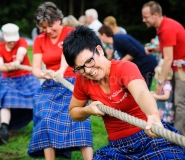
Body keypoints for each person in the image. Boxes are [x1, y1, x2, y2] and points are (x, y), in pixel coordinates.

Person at [63, 25, 185, 159]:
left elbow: (141, 93)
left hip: (148, 136)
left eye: (89, 61)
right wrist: (88, 110)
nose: (87, 71)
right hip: (117, 147)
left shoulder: (125, 68)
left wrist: (153, 115)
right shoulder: (82, 80)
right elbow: (73, 111)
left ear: (99, 50)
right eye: (79, 68)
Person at [27, 2, 93, 160]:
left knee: (81, 120)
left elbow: (68, 55)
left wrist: (61, 71)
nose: (48, 31)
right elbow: (35, 68)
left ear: (59, 20)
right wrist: (44, 75)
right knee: (46, 117)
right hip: (51, 84)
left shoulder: (72, 33)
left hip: (74, 82)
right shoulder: (39, 40)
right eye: (44, 27)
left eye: (51, 25)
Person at [0, 23, 40, 144]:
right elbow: (0, 66)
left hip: (26, 76)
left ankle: (41, 130)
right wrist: (8, 68)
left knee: (38, 99)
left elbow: (21, 52)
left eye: (14, 39)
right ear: (4, 37)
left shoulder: (21, 41)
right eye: (9, 40)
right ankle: (4, 130)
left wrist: (17, 61)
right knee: (5, 99)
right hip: (9, 79)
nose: (12, 42)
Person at [142, 1, 185, 135]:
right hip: (176, 68)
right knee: (173, 103)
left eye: (146, 17)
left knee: (179, 104)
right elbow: (168, 47)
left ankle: (179, 140)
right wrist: (155, 49)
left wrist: (160, 82)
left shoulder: (167, 28)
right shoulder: (162, 26)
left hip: (181, 69)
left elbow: (168, 58)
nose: (144, 20)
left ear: (155, 15)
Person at [98, 25, 157, 89]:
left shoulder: (118, 39)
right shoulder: (115, 43)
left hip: (146, 64)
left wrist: (119, 63)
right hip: (143, 66)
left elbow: (134, 52)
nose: (100, 39)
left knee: (142, 90)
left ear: (104, 34)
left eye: (100, 36)